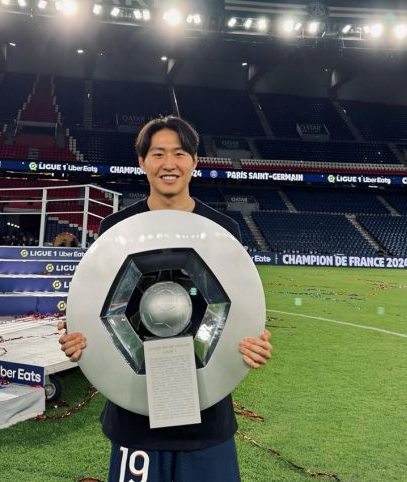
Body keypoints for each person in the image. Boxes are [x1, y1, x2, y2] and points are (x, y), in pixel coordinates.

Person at [58, 116, 273, 482]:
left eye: (179, 153)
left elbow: (238, 308)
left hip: (206, 420)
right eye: (158, 154)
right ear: (142, 161)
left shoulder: (224, 230)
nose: (168, 163)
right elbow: (93, 307)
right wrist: (78, 339)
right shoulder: (115, 230)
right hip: (135, 420)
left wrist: (253, 344)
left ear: (194, 161)